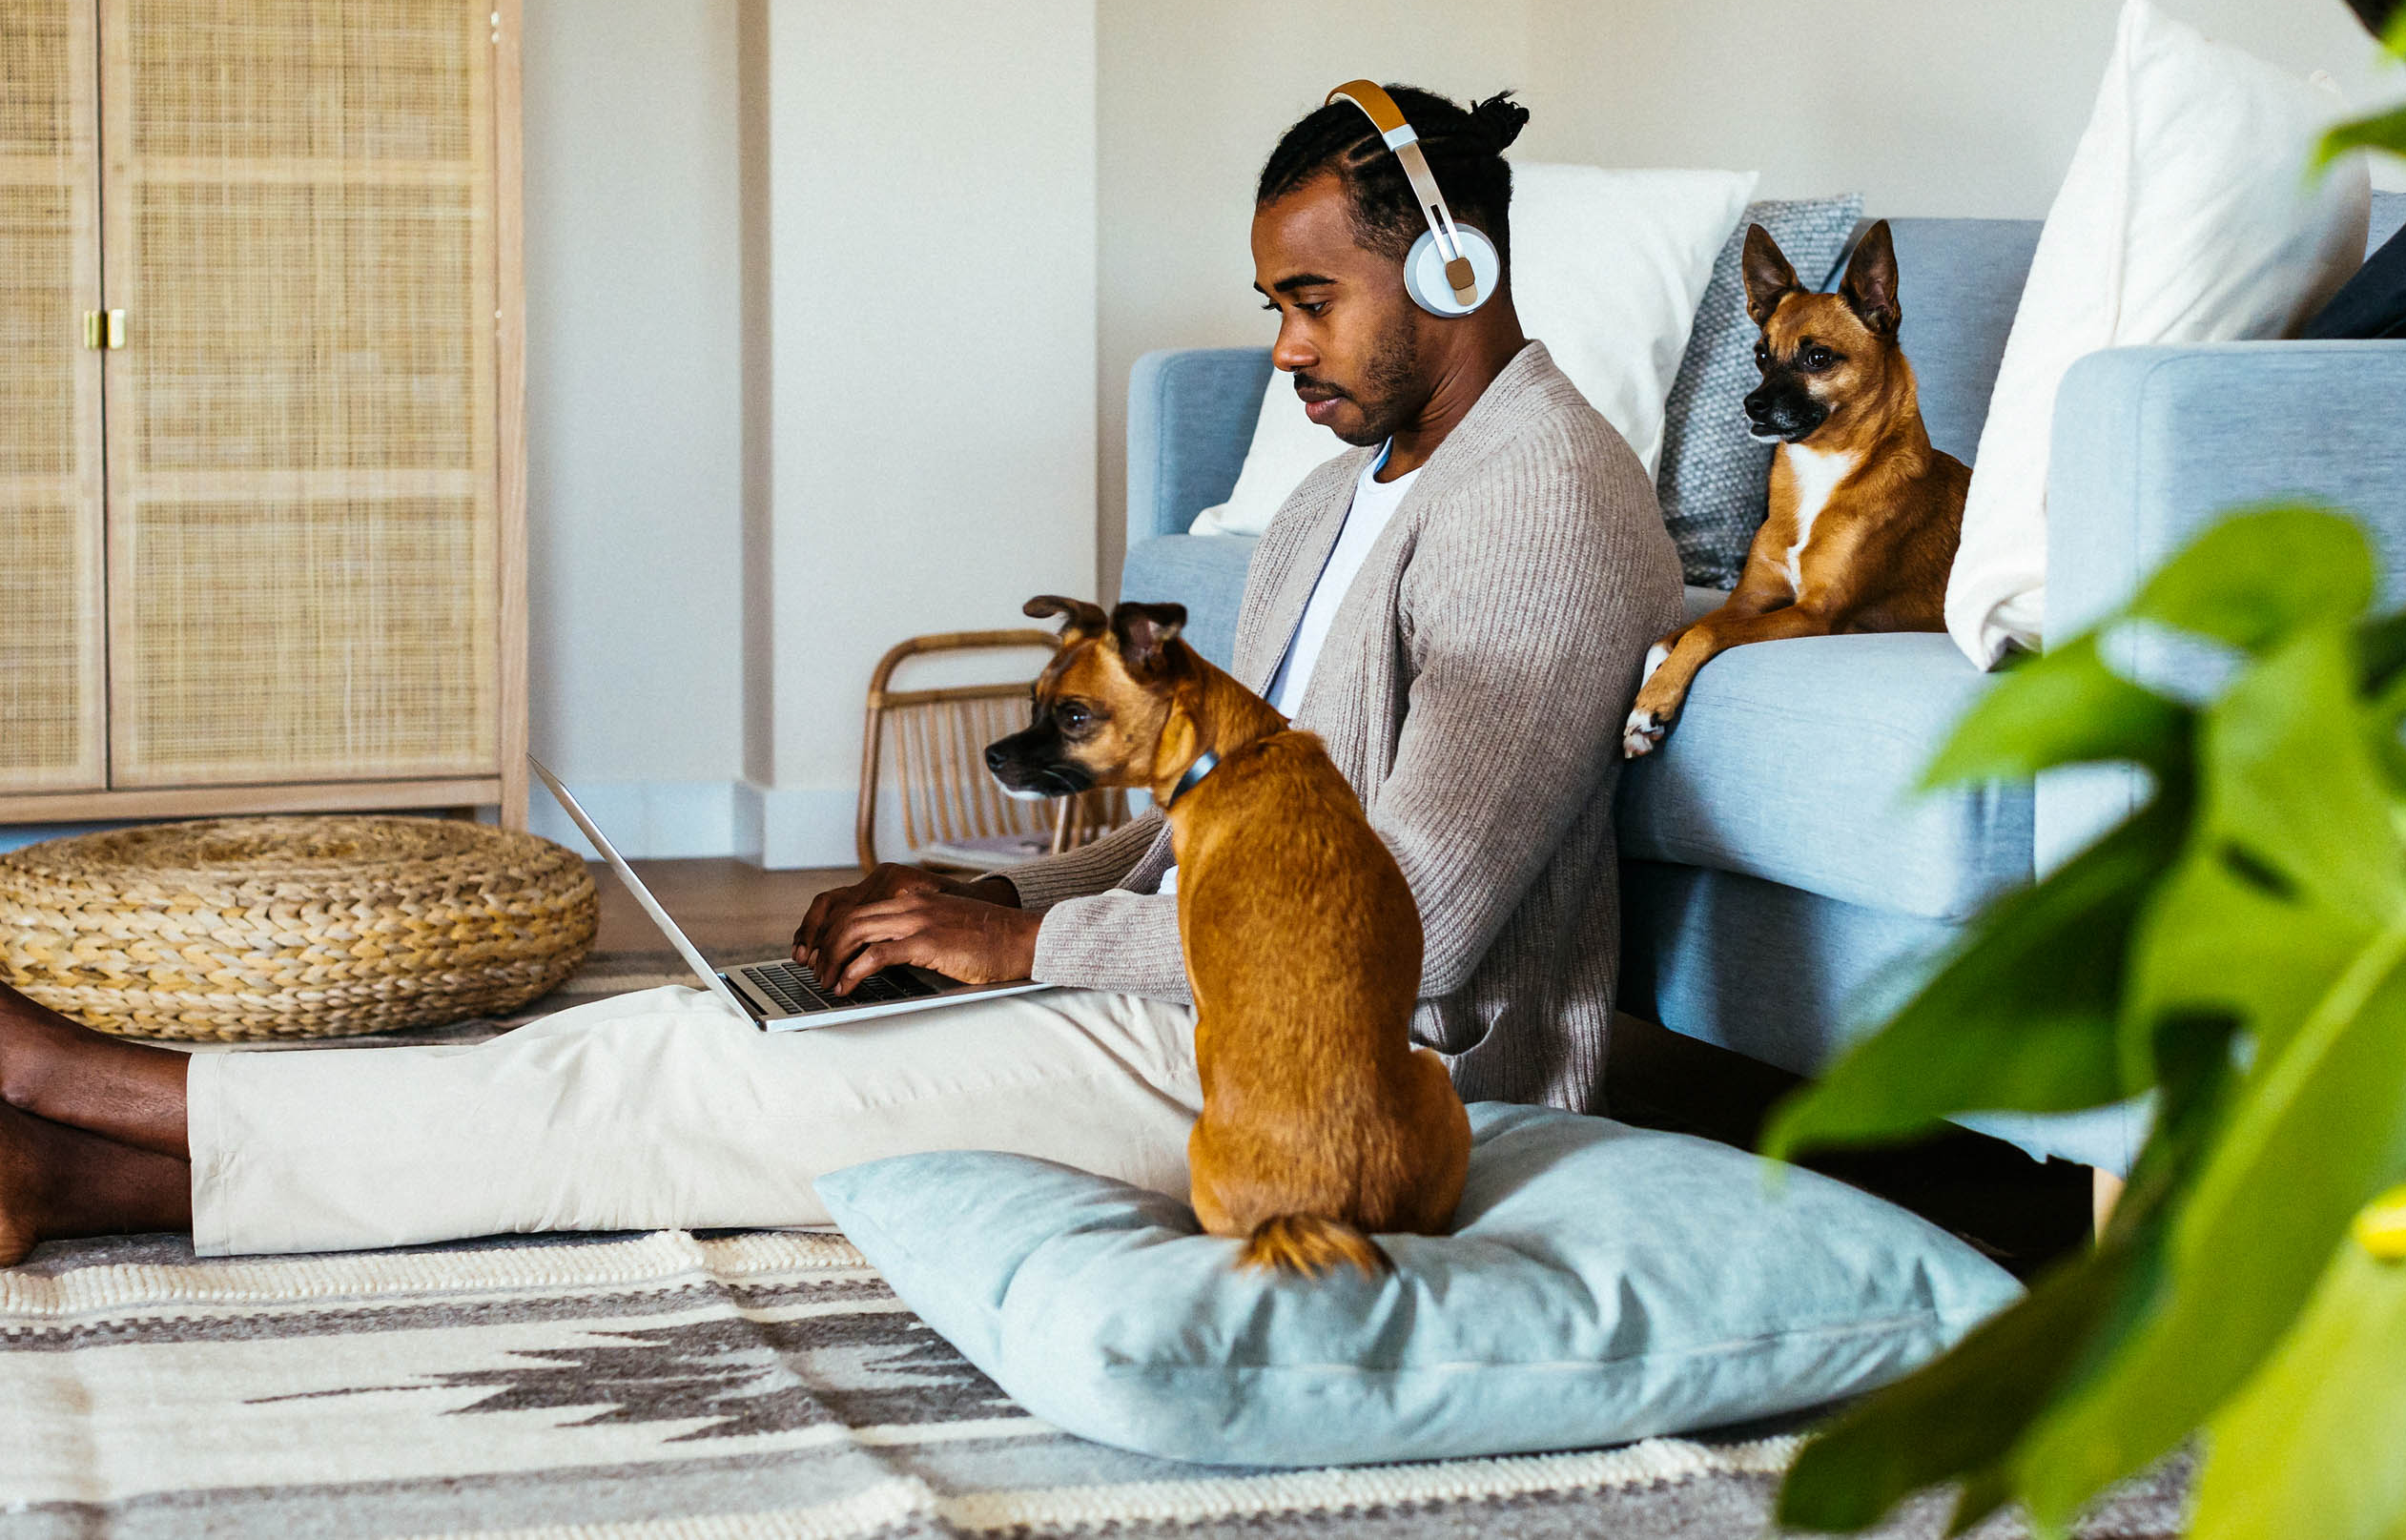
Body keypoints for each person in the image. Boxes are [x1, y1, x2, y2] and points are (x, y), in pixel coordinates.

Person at [0, 85, 1684, 1265]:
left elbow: (1417, 920)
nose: (1283, 346)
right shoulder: (1330, 500)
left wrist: (1027, 946)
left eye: (1312, 299)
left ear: (1454, 266)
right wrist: (990, 889)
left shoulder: (1542, 501)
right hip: (1219, 1004)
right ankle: (81, 1176)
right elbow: (1205, 837)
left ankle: (110, 1107)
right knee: (698, 1032)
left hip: (1341, 1077)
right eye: (1273, 301)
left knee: (704, 1087)